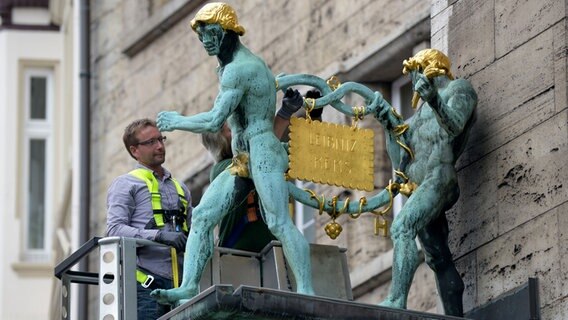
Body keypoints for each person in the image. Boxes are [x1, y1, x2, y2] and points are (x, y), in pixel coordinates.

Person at [151, 2, 315, 305]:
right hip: (242, 157)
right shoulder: (228, 67)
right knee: (201, 216)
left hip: (262, 149)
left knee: (279, 222)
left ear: (228, 32)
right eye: (201, 37)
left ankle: (307, 289)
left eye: (211, 34)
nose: (206, 42)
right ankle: (189, 286)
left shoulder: (239, 69)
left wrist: (177, 121)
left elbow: (215, 120)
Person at [376, 49, 477, 316]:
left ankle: (396, 300)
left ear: (429, 69)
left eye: (414, 73)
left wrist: (433, 99)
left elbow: (455, 125)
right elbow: (401, 160)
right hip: (418, 186)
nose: (413, 82)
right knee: (438, 258)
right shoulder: (419, 113)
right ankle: (455, 314)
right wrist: (388, 127)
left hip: (440, 177)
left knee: (401, 227)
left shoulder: (459, 89)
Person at [202, 89, 323, 252]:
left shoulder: (271, 154)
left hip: (275, 253)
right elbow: (258, 159)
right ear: (220, 140)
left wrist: (313, 117)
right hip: (241, 258)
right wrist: (284, 115)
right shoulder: (221, 171)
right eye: (231, 128)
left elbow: (307, 154)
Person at [106, 118, 192, 319]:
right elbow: (114, 230)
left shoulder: (181, 188)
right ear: (135, 151)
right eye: (151, 142)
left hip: (182, 285)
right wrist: (158, 236)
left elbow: (193, 229)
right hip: (145, 286)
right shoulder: (125, 184)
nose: (160, 146)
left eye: (161, 139)